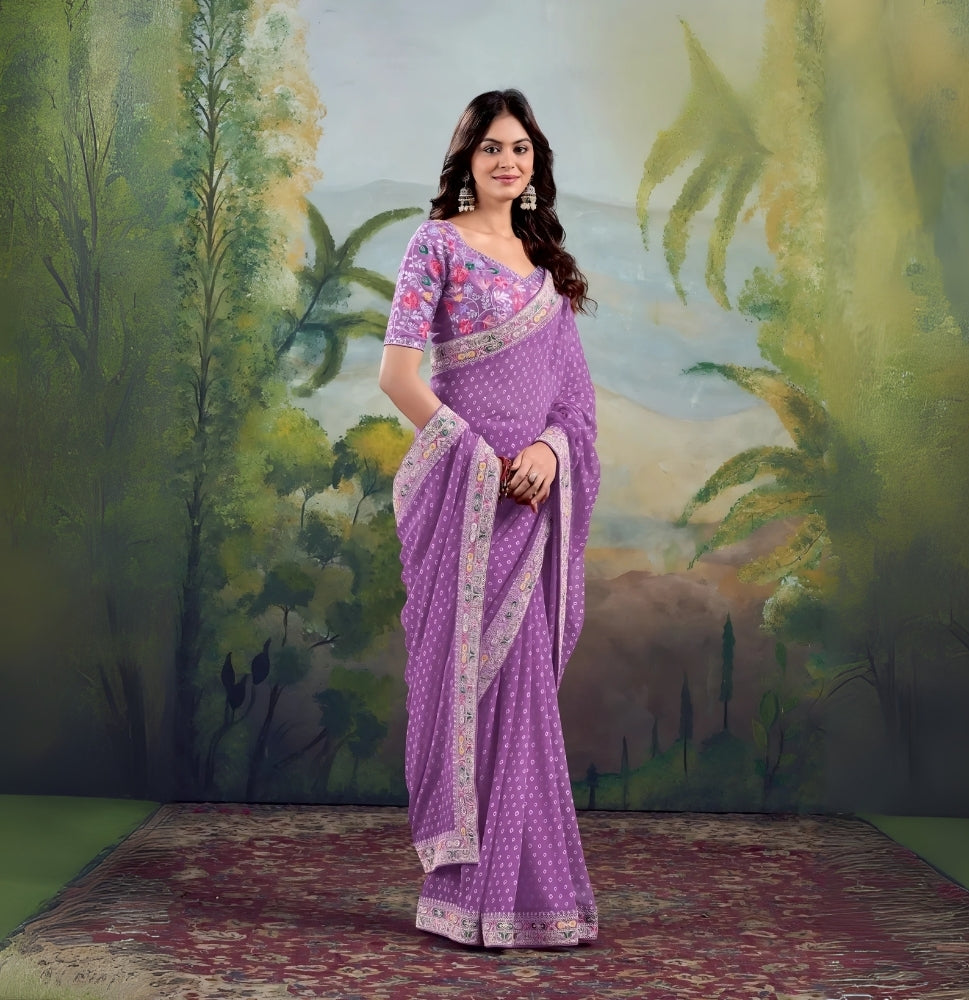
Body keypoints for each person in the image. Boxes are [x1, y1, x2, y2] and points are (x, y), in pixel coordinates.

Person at [378, 89, 600, 949]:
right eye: (490, 149)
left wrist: (548, 449)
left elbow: (573, 403)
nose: (507, 162)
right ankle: (465, 900)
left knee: (526, 705)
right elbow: (399, 377)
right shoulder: (434, 245)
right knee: (466, 696)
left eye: (520, 149)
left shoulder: (546, 270)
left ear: (535, 163)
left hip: (532, 514)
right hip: (466, 508)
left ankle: (530, 898)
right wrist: (481, 460)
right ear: (466, 160)